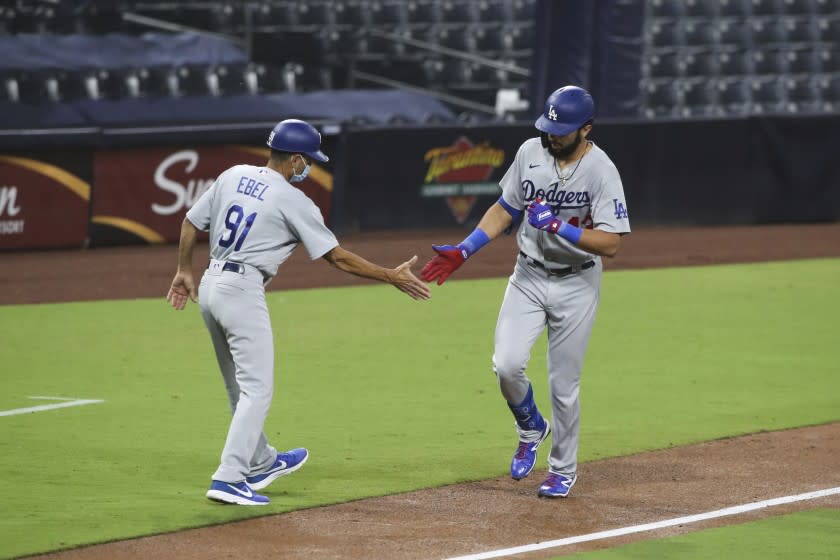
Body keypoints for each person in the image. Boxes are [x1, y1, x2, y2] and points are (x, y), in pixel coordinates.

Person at [167, 118, 431, 505]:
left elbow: (191, 222)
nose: (310, 167)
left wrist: (183, 270)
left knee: (237, 387)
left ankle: (261, 461)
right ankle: (228, 477)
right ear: (293, 159)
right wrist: (389, 275)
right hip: (242, 290)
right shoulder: (293, 200)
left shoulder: (234, 174)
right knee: (258, 390)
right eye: (308, 160)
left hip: (209, 284)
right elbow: (337, 258)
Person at [420, 86, 630, 498]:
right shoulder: (529, 153)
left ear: (585, 129)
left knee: (563, 385)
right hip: (528, 278)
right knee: (506, 364)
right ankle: (531, 425)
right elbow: (505, 208)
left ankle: (562, 469)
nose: (552, 136)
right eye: (549, 127)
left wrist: (561, 228)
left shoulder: (602, 170)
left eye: (562, 130)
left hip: (577, 283)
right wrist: (466, 248)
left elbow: (612, 243)